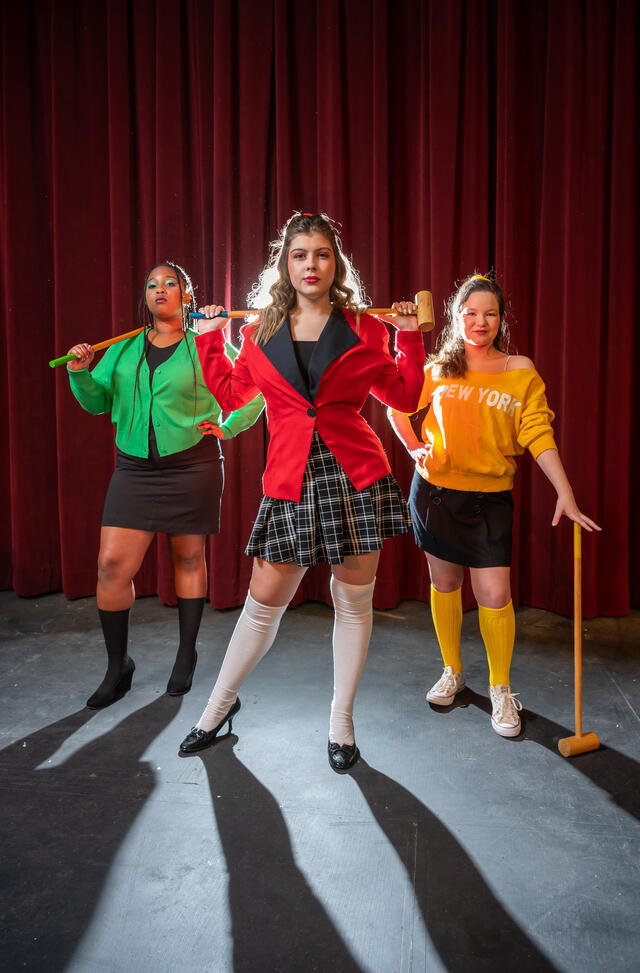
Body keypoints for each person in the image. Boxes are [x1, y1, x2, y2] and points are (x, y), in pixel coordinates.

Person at [178, 212, 425, 770]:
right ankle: (216, 709)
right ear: (284, 264)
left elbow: (405, 396)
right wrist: (210, 338)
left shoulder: (367, 327)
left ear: (335, 263)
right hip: (290, 476)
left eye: (321, 254)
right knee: (263, 602)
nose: (310, 264)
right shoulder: (257, 330)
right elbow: (230, 394)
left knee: (353, 601)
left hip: (355, 475)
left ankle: (342, 722)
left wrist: (409, 336)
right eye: (299, 254)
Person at [388, 273, 601, 737]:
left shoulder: (519, 369)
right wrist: (412, 447)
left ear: (501, 319)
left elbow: (537, 432)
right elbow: (396, 406)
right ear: (455, 317)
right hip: (435, 492)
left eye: (489, 314)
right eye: (470, 313)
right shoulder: (438, 369)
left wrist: (564, 491)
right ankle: (453, 671)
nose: (479, 322)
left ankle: (501, 690)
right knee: (444, 584)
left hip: (489, 499)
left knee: (494, 596)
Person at [66, 262, 264, 709]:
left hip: (191, 466)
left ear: (186, 297)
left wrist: (228, 428)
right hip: (134, 470)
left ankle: (186, 653)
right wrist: (81, 371)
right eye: (152, 284)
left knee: (188, 557)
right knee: (112, 566)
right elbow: (98, 403)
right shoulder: (122, 349)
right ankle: (118, 667)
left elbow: (251, 393)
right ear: (146, 296)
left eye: (170, 283)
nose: (160, 290)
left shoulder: (204, 347)